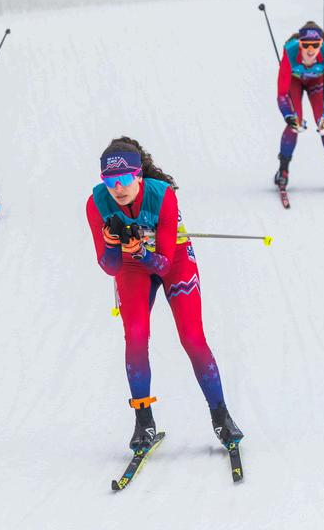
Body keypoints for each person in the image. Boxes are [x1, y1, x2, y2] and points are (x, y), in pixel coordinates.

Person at [86, 137, 243, 451]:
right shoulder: (96, 203)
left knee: (192, 336)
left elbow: (165, 262)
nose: (118, 188)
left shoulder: (162, 195)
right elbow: (109, 267)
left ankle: (221, 417)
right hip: (132, 266)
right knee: (135, 335)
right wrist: (114, 245)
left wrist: (141, 251)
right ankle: (143, 421)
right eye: (110, 181)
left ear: (139, 175)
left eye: (124, 179)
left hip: (174, 260)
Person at [274, 21, 324, 187]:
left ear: (321, 44)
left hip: (317, 81)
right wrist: (287, 115)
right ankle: (283, 169)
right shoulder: (290, 53)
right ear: (299, 44)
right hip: (294, 81)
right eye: (306, 44)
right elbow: (282, 93)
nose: (310, 49)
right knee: (295, 122)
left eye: (315, 45)